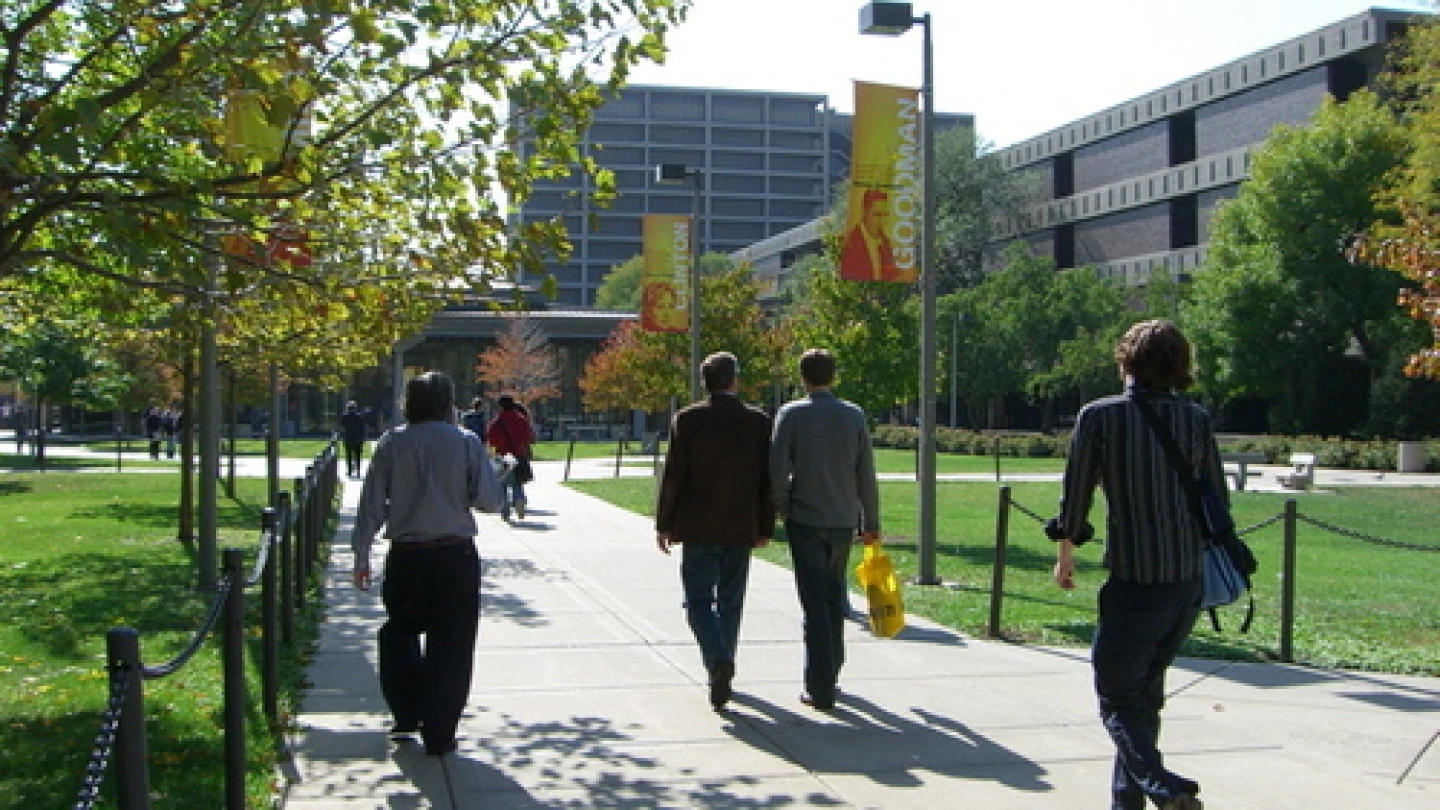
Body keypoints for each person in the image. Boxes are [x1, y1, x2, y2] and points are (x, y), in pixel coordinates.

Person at [1046, 320, 1217, 810]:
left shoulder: (1100, 417)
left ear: (1126, 360)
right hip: (1185, 581)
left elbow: (1074, 499)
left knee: (1119, 699)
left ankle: (1164, 790)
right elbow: (1215, 501)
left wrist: (1065, 556)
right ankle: (1129, 802)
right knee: (1143, 699)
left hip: (1135, 579)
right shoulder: (1197, 419)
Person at [351, 371, 502, 757]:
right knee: (452, 644)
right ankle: (440, 731)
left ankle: (405, 712)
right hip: (454, 553)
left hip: (408, 553)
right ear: (448, 401)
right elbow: (489, 501)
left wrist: (361, 553)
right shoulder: (466, 442)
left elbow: (372, 504)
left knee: (399, 631)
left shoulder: (392, 443)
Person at [655, 352, 775, 711]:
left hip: (698, 524)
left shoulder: (688, 420)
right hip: (740, 524)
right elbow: (764, 480)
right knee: (731, 601)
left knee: (697, 602)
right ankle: (723, 664)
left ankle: (717, 659)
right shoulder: (757, 422)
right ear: (734, 380)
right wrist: (765, 524)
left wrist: (665, 523)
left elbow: (674, 475)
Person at [769, 348, 881, 711]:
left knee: (813, 601)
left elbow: (777, 470)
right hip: (843, 518)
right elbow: (866, 474)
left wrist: (783, 508)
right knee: (834, 595)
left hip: (806, 518)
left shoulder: (791, 414)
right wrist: (871, 522)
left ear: (803, 378)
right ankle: (832, 662)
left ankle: (820, 685)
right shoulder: (853, 416)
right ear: (833, 376)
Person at [488, 395, 535, 521]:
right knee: (517, 482)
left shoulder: (497, 421)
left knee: (502, 484)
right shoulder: (521, 419)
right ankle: (518, 499)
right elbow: (527, 437)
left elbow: (492, 440)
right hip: (518, 453)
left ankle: (505, 510)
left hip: (502, 455)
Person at [839, 188, 897, 282]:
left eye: (885, 215)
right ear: (865, 212)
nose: (882, 221)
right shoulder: (851, 242)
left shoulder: (886, 243)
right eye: (877, 215)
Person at [341, 400, 367, 478]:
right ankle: (358, 470)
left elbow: (342, 427)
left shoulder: (345, 417)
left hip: (348, 438)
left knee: (348, 455)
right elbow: (363, 428)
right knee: (358, 455)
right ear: (355, 408)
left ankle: (349, 471)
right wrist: (363, 438)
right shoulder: (359, 417)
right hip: (357, 439)